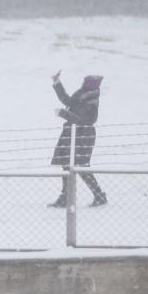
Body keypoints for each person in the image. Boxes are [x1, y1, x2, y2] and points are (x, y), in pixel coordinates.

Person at [49, 72, 106, 208]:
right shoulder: (82, 94)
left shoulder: (91, 101)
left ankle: (99, 195)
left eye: (86, 82)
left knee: (80, 167)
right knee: (66, 165)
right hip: (71, 134)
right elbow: (67, 101)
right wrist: (57, 82)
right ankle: (66, 197)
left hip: (82, 136)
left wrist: (64, 114)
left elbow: (84, 120)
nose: (83, 83)